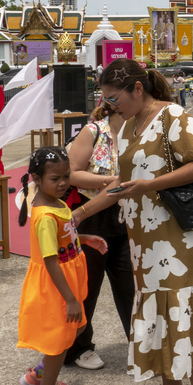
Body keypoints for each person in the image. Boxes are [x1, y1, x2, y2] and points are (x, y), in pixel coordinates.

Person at [73, 59, 193, 385]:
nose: (109, 106)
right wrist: (78, 213)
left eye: (114, 98)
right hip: (146, 241)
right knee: (161, 312)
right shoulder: (129, 126)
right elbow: (121, 183)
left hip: (182, 239)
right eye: (105, 99)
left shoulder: (173, 117)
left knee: (188, 313)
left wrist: (151, 185)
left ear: (137, 89)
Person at [17, 147, 106, 385]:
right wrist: (68, 298)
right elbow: (50, 260)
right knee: (59, 341)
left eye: (66, 176)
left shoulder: (59, 203)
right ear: (36, 179)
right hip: (56, 285)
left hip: (69, 277)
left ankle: (41, 374)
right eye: (55, 179)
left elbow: (65, 234)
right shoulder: (44, 215)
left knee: (74, 329)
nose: (63, 183)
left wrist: (85, 237)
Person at [63, 103, 133, 370]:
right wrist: (111, 182)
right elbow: (72, 174)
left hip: (127, 218)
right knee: (86, 288)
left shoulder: (139, 134)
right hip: (92, 218)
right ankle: (78, 348)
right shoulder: (94, 131)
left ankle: (140, 345)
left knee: (132, 287)